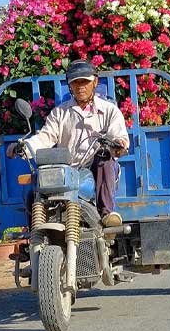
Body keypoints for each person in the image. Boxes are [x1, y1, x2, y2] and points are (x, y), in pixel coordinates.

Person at [7, 59, 130, 228]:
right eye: (75, 82)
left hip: (94, 168)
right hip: (66, 170)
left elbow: (119, 136)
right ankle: (35, 236)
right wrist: (23, 147)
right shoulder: (60, 112)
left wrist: (118, 143)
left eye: (85, 82)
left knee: (105, 161)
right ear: (70, 85)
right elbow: (45, 137)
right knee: (33, 193)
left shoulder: (109, 110)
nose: (80, 86)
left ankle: (107, 215)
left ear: (94, 82)